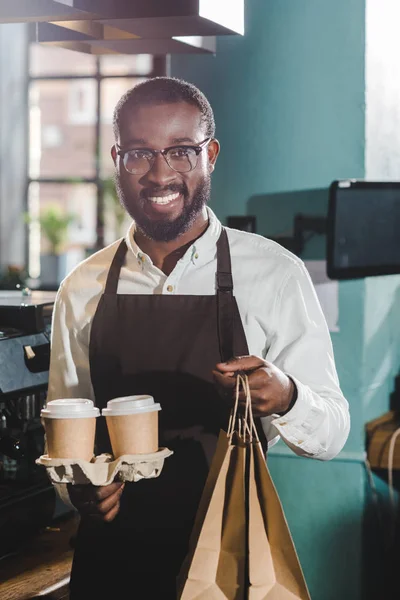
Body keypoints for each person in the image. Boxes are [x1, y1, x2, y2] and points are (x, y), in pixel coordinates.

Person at [47, 76, 350, 599]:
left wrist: (287, 396)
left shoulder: (274, 274)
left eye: (181, 152)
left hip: (229, 554)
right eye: (140, 154)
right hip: (112, 561)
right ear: (117, 159)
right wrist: (78, 490)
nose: (160, 174)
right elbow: (65, 427)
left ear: (209, 154)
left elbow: (333, 432)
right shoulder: (83, 287)